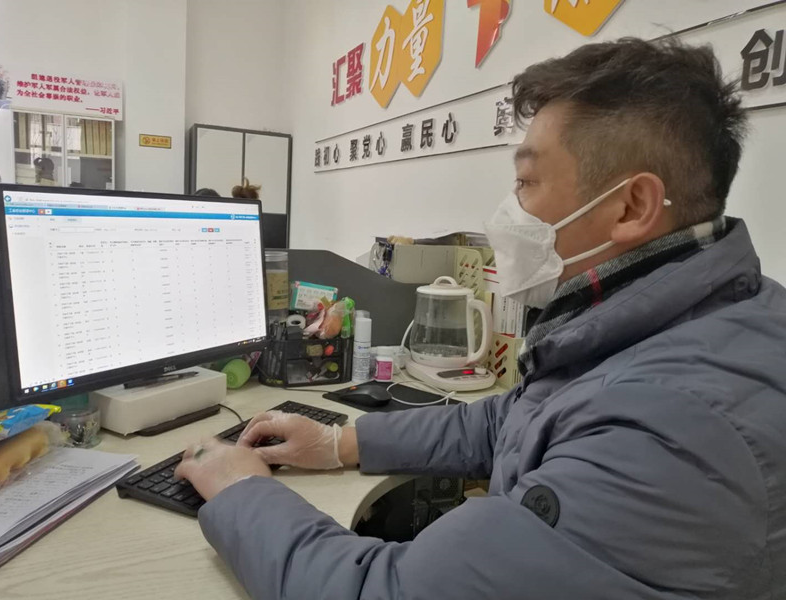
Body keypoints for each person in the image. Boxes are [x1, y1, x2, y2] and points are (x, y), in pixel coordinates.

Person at [176, 38, 786, 599]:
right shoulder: (689, 316)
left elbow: (384, 592)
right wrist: (339, 443)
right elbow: (510, 420)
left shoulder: (669, 430)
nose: (509, 211)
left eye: (527, 181)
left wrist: (241, 490)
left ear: (631, 206)